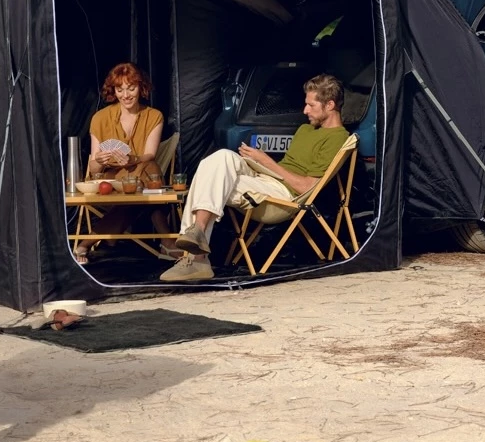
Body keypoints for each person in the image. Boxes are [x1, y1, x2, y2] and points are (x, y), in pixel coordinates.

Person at [160, 74, 350, 283]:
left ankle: (195, 257)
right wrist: (259, 163)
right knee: (218, 159)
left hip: (285, 196)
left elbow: (307, 186)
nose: (304, 111)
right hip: (266, 180)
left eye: (310, 105)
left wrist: (267, 162)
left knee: (210, 177)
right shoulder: (306, 129)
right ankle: (196, 239)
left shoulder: (337, 137)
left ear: (330, 105)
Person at [75, 63, 165, 264]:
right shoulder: (100, 118)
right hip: (109, 181)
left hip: (140, 178)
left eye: (131, 88)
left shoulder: (154, 116)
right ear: (113, 91)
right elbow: (94, 170)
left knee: (146, 172)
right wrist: (98, 159)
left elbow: (149, 154)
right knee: (144, 182)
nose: (126, 95)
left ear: (140, 88)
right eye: (119, 89)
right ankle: (167, 240)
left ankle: (84, 244)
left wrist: (133, 159)